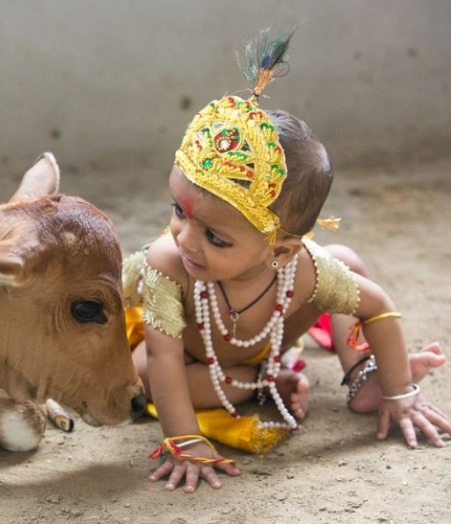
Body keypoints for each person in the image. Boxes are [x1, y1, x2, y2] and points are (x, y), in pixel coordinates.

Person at [122, 29, 451, 494]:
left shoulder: (306, 271)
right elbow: (162, 356)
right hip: (197, 357)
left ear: (280, 251)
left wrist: (400, 391)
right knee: (141, 375)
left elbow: (377, 307)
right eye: (179, 211)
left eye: (213, 236)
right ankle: (263, 381)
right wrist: (185, 439)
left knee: (347, 263)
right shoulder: (169, 264)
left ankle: (362, 376)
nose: (184, 239)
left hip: (269, 335)